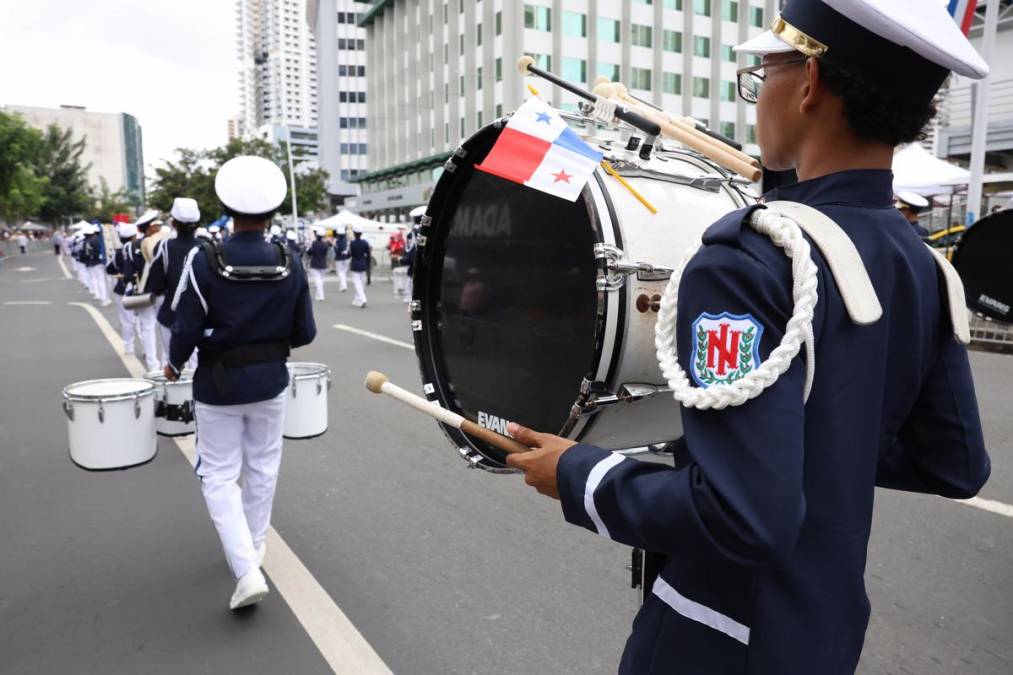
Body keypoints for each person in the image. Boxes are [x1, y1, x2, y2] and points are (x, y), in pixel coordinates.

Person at [502, 1, 992, 673]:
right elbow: (953, 464)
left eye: (762, 70)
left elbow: (744, 515)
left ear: (808, 84)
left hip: (718, 640)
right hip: (823, 633)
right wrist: (800, 448)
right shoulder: (923, 265)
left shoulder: (748, 262)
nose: (757, 92)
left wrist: (580, 474)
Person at [164, 155, 315, 610]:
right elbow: (304, 332)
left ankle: (246, 568)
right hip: (271, 382)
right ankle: (255, 546)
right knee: (264, 467)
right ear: (272, 211)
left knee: (219, 475)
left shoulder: (203, 259)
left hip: (217, 385)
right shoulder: (291, 260)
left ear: (229, 209)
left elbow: (184, 327)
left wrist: (173, 365)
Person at [145, 198, 202, 370]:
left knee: (172, 366)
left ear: (174, 223)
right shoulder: (208, 247)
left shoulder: (164, 247)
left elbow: (156, 286)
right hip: (202, 317)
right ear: (197, 224)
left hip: (172, 315)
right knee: (199, 365)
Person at [123, 211, 163, 371]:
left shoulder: (131, 247)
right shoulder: (164, 244)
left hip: (143, 292)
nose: (159, 228)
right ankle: (165, 365)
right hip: (162, 292)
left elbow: (127, 274)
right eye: (157, 226)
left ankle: (153, 366)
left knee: (148, 327)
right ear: (150, 228)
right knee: (164, 328)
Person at [107, 222, 140, 354]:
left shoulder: (119, 253)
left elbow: (110, 269)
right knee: (143, 322)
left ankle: (128, 346)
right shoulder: (140, 250)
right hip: (140, 290)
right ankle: (147, 350)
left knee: (126, 321)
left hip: (122, 289)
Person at [81, 225, 111, 306]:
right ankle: (105, 297)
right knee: (103, 280)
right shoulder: (98, 240)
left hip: (93, 263)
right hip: (100, 262)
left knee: (98, 280)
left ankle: (102, 297)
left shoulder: (87, 242)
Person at [349, 224, 370, 308]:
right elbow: (368, 254)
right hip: (363, 264)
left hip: (355, 264)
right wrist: (368, 264)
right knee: (361, 283)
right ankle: (356, 300)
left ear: (354, 233)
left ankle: (363, 299)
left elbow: (351, 254)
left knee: (357, 283)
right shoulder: (365, 243)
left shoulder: (352, 243)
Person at [307, 226, 331, 301]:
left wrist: (308, 249)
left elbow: (310, 253)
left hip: (314, 263)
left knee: (318, 280)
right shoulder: (325, 245)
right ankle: (319, 295)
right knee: (321, 280)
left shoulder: (313, 243)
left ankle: (321, 295)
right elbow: (325, 253)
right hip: (323, 263)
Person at [334, 225, 350, 292]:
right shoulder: (346, 240)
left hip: (339, 258)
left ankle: (343, 286)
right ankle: (341, 286)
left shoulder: (336, 241)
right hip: (346, 258)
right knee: (344, 273)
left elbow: (336, 250)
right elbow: (348, 249)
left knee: (340, 272)